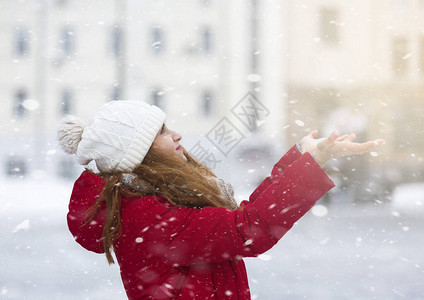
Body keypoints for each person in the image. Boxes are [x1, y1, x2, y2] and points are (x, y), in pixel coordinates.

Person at [58, 100, 384, 299]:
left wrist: (300, 159)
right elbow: (248, 228)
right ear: (136, 154)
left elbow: (241, 219)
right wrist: (309, 166)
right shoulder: (147, 214)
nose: (176, 135)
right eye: (160, 132)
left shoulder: (156, 200)